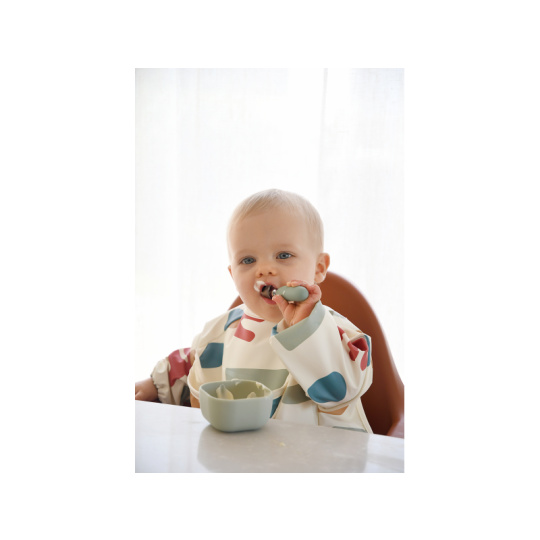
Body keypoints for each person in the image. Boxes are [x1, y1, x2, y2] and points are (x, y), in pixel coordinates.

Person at [135, 189, 373, 431]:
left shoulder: (335, 333)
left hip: (321, 453)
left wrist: (306, 330)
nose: (265, 269)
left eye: (283, 255)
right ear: (233, 275)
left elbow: (341, 389)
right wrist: (156, 384)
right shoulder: (220, 332)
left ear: (319, 267)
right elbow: (194, 362)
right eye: (248, 260)